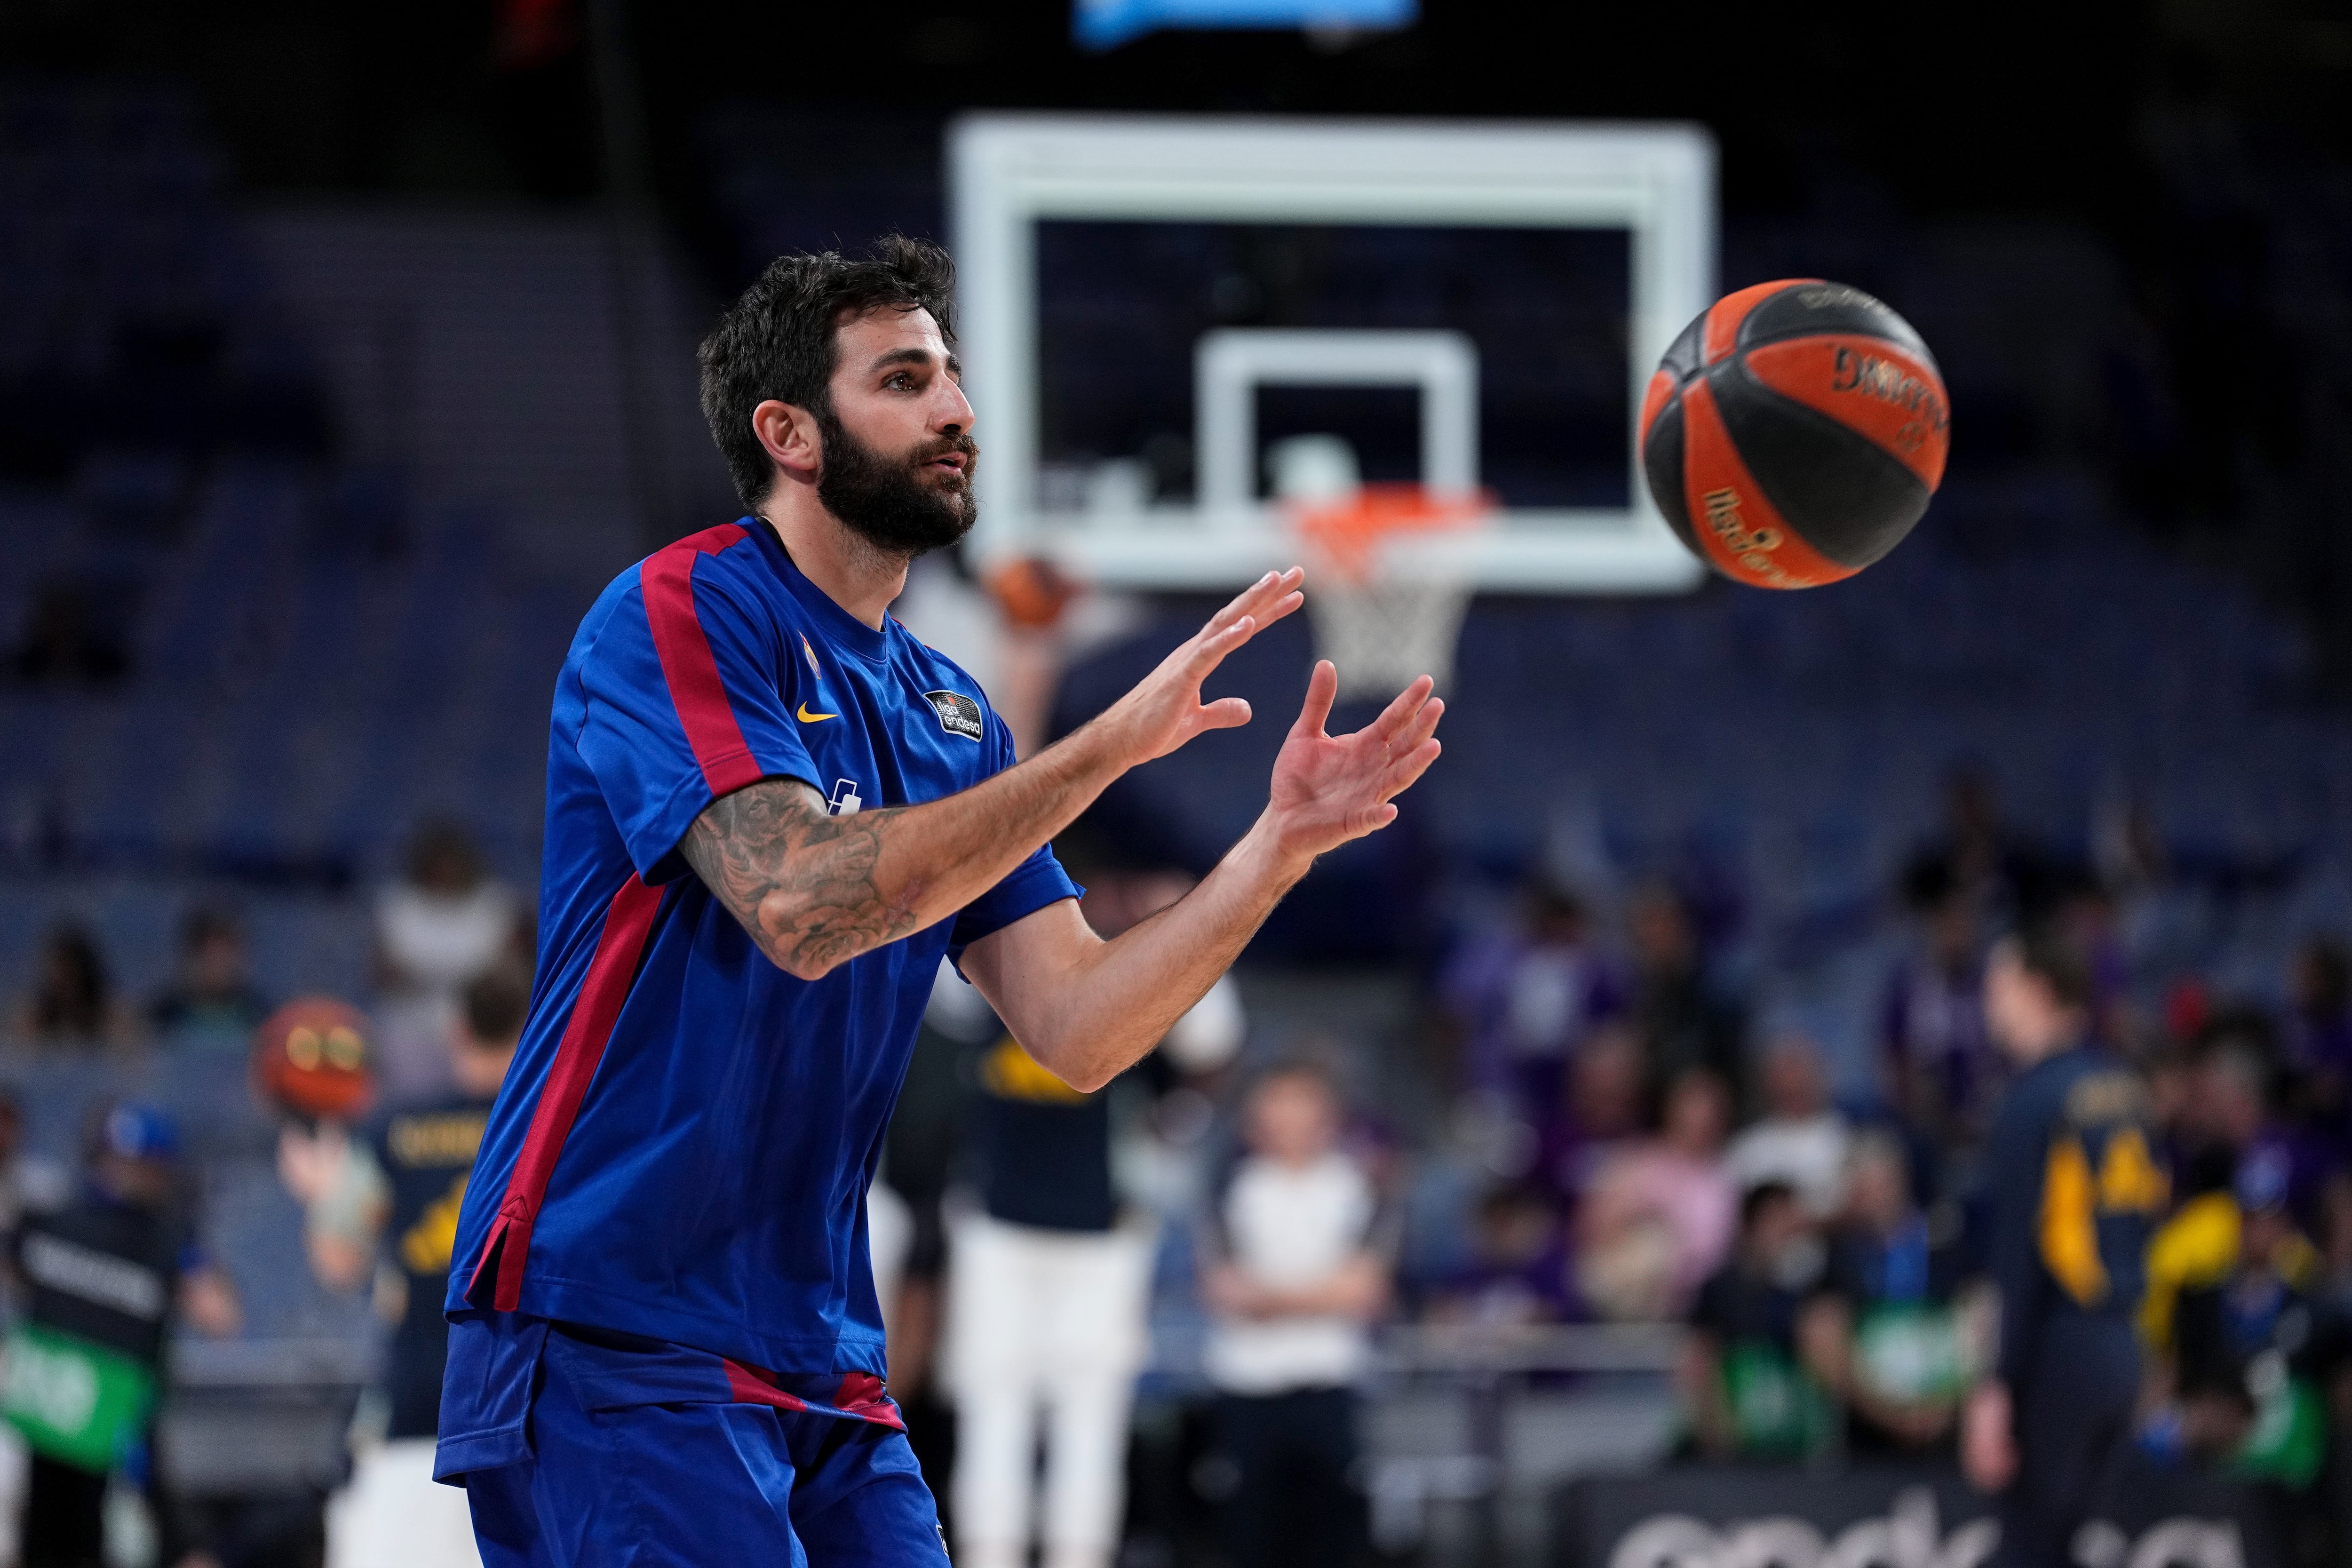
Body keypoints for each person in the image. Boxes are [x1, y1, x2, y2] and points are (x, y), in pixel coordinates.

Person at [432, 237, 1444, 1568]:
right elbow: (798, 902)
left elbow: (1079, 1025)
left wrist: (1275, 846)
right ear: (788, 432)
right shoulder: (682, 608)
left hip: (818, 1343)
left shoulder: (947, 710)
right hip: (614, 1315)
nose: (957, 410)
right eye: (905, 380)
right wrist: (1104, 749)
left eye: (954, 379)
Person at [948, 871, 1244, 1568]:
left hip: (1106, 1235)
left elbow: (1214, 1041)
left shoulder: (1137, 989)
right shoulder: (1000, 965)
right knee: (994, 1402)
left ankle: (1079, 1555)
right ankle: (991, 1554)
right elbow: (940, 998)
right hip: (998, 1225)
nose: (1094, 906)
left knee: (1093, 1409)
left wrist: (1178, 919)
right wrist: (986, 887)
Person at [283, 969, 526, 1568]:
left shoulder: (395, 1131)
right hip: (525, 1414)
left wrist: (320, 1196)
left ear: (457, 1032)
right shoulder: (554, 1131)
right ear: (530, 1028)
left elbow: (339, 1265)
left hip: (420, 1410)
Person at [1960, 926, 2169, 1568]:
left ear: (2039, 989)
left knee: (2026, 1548)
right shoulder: (2125, 1088)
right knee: (2057, 1545)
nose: (1988, 1000)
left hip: (2060, 1344)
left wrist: (1996, 1385)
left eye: (2000, 984)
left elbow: (2021, 1252)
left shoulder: (2030, 1101)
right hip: (2121, 1343)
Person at [7, 1103, 240, 1568]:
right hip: (50, 1418)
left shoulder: (162, 1239)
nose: (131, 1177)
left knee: (144, 1534)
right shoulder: (55, 1220)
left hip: (116, 1426)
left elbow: (221, 1317)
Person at [1200, 1065, 1392, 1568]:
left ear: (1326, 1119)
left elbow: (1365, 1289)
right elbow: (1225, 1290)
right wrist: (1318, 1295)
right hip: (1248, 1383)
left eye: (1299, 1105)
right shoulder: (1229, 1188)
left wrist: (1272, 1301)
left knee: (1333, 1536)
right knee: (1249, 1534)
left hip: (1327, 1379)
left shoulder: (1355, 1189)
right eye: (1276, 1105)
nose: (1288, 1119)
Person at [1798, 1131, 1979, 1458]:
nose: (1875, 1197)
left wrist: (1946, 1404)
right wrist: (1887, 1414)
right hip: (1869, 1424)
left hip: (1947, 1417)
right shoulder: (1839, 1258)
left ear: (1902, 1182)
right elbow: (1820, 1335)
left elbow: (1978, 1319)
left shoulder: (1945, 1246)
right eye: (1863, 1188)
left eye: (1882, 1184)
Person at [373, 820, 525, 1104]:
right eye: (439, 862)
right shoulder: (398, 905)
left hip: (486, 1032)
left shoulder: (497, 904)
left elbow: (514, 976)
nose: (446, 870)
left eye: (453, 861)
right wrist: (466, 974)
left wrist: (430, 974)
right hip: (412, 1032)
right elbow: (384, 974)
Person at [1679, 1181, 1832, 1461]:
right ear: (1752, 1223)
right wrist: (1717, 1430)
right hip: (1733, 1436)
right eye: (1778, 1220)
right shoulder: (1720, 1288)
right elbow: (1701, 1359)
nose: (1787, 1232)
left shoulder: (1801, 1292)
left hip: (1786, 1437)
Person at [1577, 1066, 1737, 1321]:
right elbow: (1592, 1228)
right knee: (1651, 1243)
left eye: (1709, 1111)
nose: (1699, 1120)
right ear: (1671, 1110)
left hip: (1701, 1302)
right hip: (1631, 1297)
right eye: (1692, 1108)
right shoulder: (1637, 1164)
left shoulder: (1726, 1177)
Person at [1723, 1034, 1852, 1220]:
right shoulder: (1746, 1150)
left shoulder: (1846, 1138)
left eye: (1800, 1071)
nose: (1793, 1083)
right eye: (1784, 1073)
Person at [148, 904, 272, 1044]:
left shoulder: (261, 1019)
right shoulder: (163, 1017)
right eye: (210, 955)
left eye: (225, 956)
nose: (218, 966)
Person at [8, 923, 138, 1047]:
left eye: (70, 972)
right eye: (58, 972)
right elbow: (18, 1052)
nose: (63, 981)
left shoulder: (108, 1012)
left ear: (84, 972)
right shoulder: (37, 1015)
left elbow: (128, 1044)